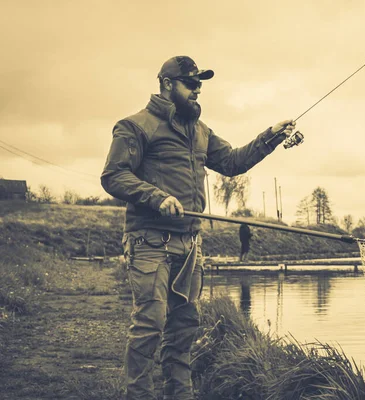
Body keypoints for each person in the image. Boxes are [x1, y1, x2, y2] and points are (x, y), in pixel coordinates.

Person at [101, 55, 295, 400]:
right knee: (149, 325)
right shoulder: (135, 126)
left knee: (184, 329)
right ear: (166, 85)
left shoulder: (201, 132)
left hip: (190, 245)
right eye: (191, 84)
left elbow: (234, 162)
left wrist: (270, 137)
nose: (197, 91)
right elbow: (113, 175)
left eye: (199, 86)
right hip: (148, 241)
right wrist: (156, 196)